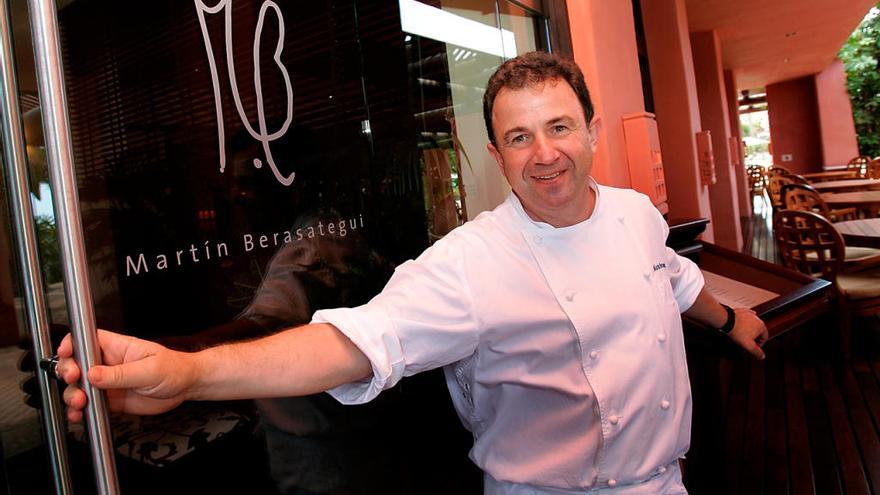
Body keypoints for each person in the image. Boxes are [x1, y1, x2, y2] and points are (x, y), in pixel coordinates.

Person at [57, 51, 768, 494]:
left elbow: (673, 279)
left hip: (667, 483)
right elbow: (356, 340)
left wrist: (732, 319)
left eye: (558, 127)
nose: (544, 153)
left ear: (592, 130)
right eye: (519, 137)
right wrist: (189, 374)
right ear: (497, 154)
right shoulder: (471, 259)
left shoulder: (635, 212)